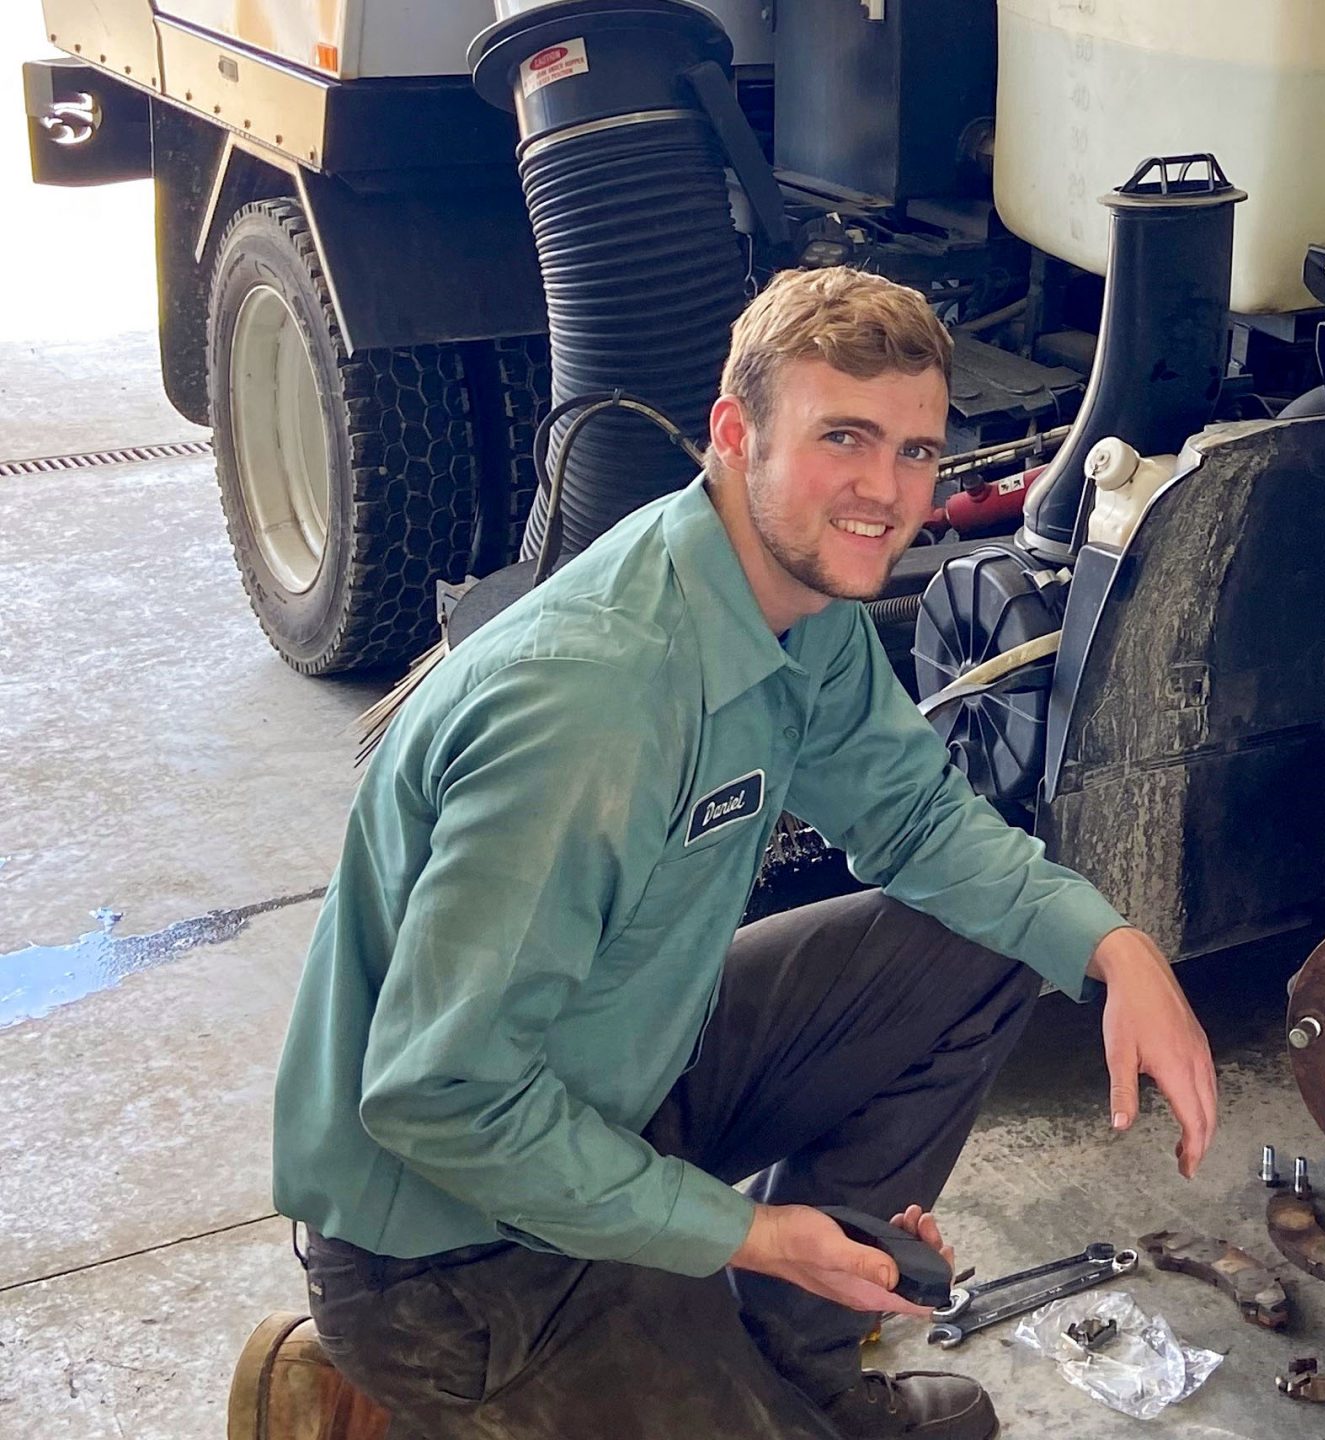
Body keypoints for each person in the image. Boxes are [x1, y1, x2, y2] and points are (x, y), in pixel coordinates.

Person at [259, 267, 1219, 1439]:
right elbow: (439, 1098)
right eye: (843, 440)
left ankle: (789, 1359)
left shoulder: (789, 599)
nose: (886, 492)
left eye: (916, 451)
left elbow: (917, 823)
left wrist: (1117, 949)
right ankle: (371, 1399)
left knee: (975, 944)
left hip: (614, 1095)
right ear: (735, 435)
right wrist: (752, 1233)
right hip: (453, 1258)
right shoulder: (593, 712)